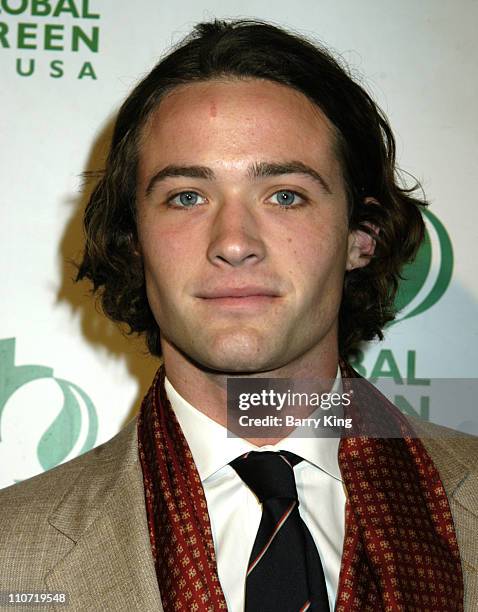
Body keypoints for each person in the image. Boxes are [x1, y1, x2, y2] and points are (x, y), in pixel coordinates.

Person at [0, 19, 476, 612]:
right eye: (186, 197)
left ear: (361, 235)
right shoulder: (9, 552)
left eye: (284, 195)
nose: (233, 241)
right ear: (133, 241)